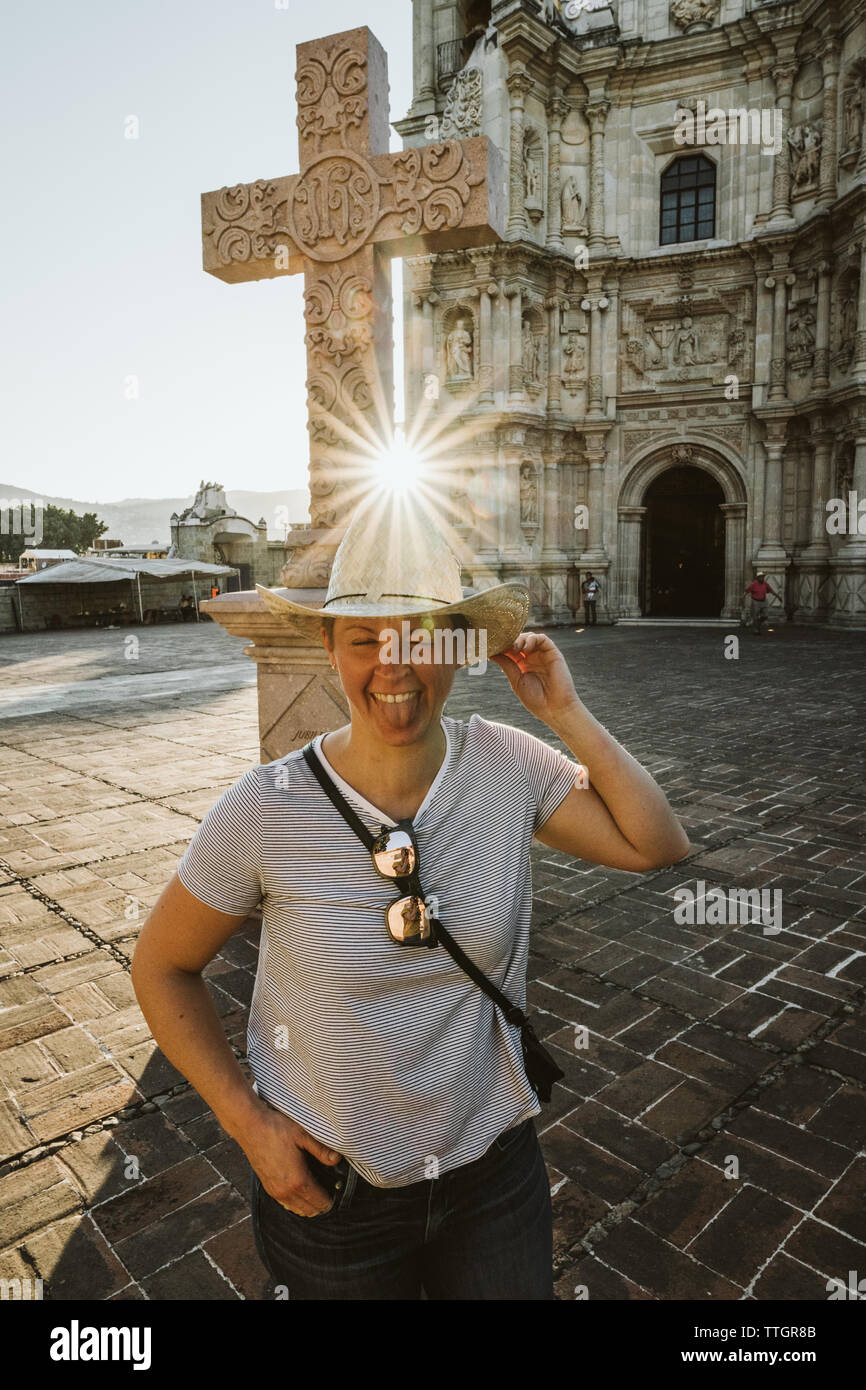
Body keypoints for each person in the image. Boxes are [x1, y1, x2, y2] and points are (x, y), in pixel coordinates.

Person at [131, 493, 690, 1301]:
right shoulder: (265, 807)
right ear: (330, 647)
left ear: (462, 649)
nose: (393, 667)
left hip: (494, 1176)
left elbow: (656, 844)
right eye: (365, 640)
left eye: (422, 638)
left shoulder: (506, 765)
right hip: (334, 1195)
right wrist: (248, 1124)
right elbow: (161, 966)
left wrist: (564, 712)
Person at [743, 570, 781, 634]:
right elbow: (746, 591)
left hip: (763, 601)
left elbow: (771, 590)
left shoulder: (765, 584)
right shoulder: (754, 584)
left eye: (763, 577)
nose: (762, 578)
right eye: (760, 577)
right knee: (755, 616)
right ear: (757, 578)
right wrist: (742, 597)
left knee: (765, 616)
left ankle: (758, 624)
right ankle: (756, 629)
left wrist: (778, 596)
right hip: (756, 601)